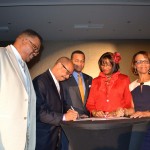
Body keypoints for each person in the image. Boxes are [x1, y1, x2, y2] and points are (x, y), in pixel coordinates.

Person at [0, 29, 43, 150]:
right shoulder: (1, 55)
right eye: (34, 48)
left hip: (22, 139)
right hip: (5, 138)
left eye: (37, 51)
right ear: (24, 40)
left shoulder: (25, 67)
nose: (36, 54)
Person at [33, 57, 78, 150]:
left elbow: (60, 104)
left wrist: (70, 111)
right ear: (59, 65)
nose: (67, 77)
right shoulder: (40, 81)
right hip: (43, 138)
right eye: (67, 73)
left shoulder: (58, 82)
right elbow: (39, 113)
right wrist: (64, 117)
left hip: (55, 138)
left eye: (69, 75)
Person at [60, 50, 92, 150]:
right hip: (70, 124)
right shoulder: (64, 78)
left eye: (82, 61)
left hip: (87, 123)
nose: (80, 64)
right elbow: (61, 100)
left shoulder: (89, 79)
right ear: (71, 61)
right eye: (76, 61)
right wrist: (73, 114)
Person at [86, 52, 134, 118]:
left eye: (108, 65)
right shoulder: (95, 81)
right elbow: (90, 103)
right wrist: (95, 112)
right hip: (100, 121)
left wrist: (120, 112)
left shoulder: (124, 79)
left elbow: (129, 103)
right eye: (103, 65)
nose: (105, 67)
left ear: (114, 65)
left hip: (119, 119)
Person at [129, 51, 150, 150]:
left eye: (146, 61)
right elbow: (132, 109)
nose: (143, 64)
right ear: (135, 65)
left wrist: (146, 113)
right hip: (137, 128)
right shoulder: (131, 86)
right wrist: (122, 111)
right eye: (139, 61)